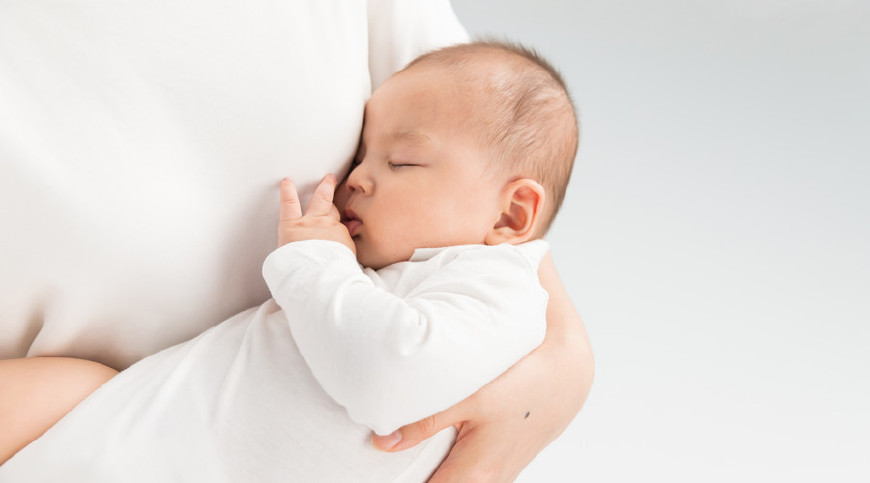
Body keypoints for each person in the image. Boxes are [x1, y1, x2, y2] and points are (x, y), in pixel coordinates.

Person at [0, 2, 593, 481]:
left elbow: (386, 378)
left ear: (515, 215)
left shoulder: (500, 295)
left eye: (402, 162)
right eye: (361, 153)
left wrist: (315, 260)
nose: (357, 177)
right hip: (112, 420)